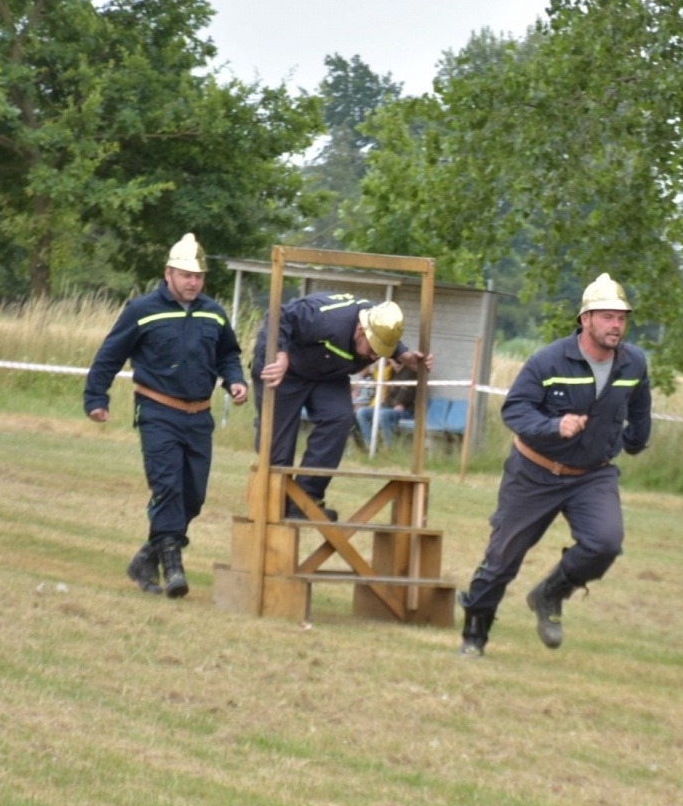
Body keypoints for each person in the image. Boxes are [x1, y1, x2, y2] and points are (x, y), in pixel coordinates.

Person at [457, 273, 652, 657]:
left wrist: (635, 441)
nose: (616, 325)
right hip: (534, 472)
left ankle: (550, 594)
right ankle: (474, 637)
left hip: (592, 475)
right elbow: (514, 409)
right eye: (607, 317)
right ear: (586, 320)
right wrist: (553, 426)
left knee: (605, 542)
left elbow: (640, 405)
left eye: (621, 318)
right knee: (502, 560)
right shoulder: (548, 360)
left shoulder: (633, 363)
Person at [84, 233, 247, 599]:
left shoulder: (213, 312)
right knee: (167, 487)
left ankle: (146, 556)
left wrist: (235, 381)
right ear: (168, 274)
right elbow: (110, 355)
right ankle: (172, 566)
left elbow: (228, 355)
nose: (193, 282)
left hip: (199, 417)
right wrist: (97, 397)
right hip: (157, 412)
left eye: (199, 276)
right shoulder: (142, 310)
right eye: (186, 275)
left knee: (193, 496)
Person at [253, 293, 432, 518]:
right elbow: (277, 316)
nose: (376, 355)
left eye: (382, 352)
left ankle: (305, 501)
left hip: (327, 372)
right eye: (374, 348)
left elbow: (386, 339)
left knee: (340, 417)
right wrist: (280, 355)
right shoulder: (326, 319)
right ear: (360, 330)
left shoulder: (379, 323)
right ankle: (273, 505)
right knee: (278, 444)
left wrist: (404, 355)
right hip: (284, 369)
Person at [354, 360, 416, 449]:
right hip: (389, 408)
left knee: (383, 414)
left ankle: (389, 447)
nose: (389, 361)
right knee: (362, 412)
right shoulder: (393, 373)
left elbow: (401, 402)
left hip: (406, 411)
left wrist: (392, 403)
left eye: (391, 359)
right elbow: (387, 395)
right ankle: (371, 445)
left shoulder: (410, 373)